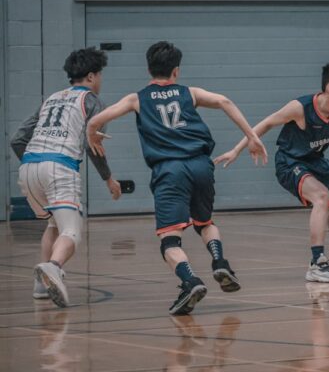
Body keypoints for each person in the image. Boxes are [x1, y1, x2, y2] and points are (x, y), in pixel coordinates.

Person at [86, 41, 267, 315]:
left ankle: (190, 281)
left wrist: (92, 136)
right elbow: (224, 101)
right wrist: (252, 137)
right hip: (201, 165)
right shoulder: (189, 93)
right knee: (205, 222)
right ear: (176, 71)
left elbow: (94, 122)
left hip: (170, 169)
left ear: (148, 68)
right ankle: (220, 262)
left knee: (170, 240)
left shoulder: (137, 98)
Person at [214, 61, 329, 283]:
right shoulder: (301, 108)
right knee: (321, 196)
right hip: (289, 162)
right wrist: (237, 149)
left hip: (316, 162)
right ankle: (317, 263)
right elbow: (266, 123)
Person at [11, 47, 122, 307]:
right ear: (92, 76)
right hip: (59, 166)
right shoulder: (93, 101)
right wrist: (108, 179)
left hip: (28, 167)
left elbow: (18, 139)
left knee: (53, 224)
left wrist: (34, 163)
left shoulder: (51, 98)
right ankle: (53, 267)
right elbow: (93, 145)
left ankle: (40, 286)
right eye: (101, 75)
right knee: (72, 231)